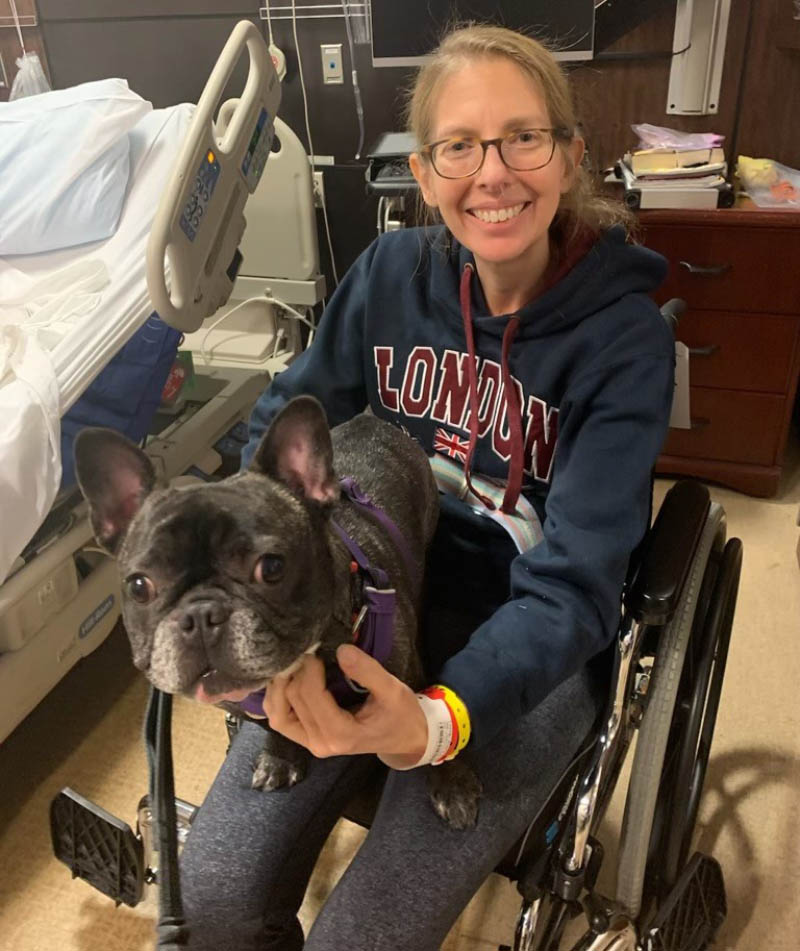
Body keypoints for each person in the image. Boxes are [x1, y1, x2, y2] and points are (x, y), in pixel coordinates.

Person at [180, 23, 674, 951]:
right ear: (425, 170)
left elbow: (577, 582)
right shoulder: (386, 277)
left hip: (525, 642)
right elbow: (283, 433)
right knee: (212, 892)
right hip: (362, 600)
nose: (492, 173)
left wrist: (438, 721)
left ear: (569, 157)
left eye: (523, 137)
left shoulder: (623, 342)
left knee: (361, 937)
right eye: (458, 146)